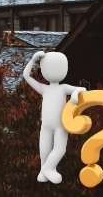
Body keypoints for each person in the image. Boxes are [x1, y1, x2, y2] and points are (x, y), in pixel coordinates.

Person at [22, 51, 86, 184]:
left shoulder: (63, 88)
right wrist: (33, 61)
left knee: (60, 148)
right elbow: (26, 76)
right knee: (44, 148)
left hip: (60, 124)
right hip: (46, 124)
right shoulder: (44, 88)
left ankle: (48, 168)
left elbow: (82, 89)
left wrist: (75, 94)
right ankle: (43, 170)